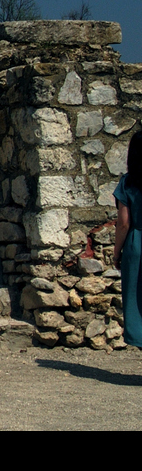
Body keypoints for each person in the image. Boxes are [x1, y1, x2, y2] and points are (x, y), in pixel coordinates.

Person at [113, 132, 142, 348]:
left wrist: (116, 253)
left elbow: (123, 223)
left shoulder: (129, 183)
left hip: (136, 243)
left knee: (136, 298)